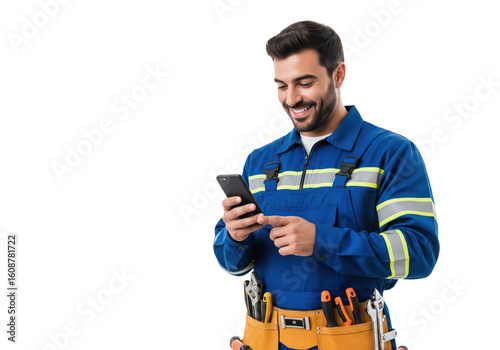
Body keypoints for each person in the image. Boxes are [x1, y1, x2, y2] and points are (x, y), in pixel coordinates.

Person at [214, 20, 439, 350]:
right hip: (264, 340)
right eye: (282, 85)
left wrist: (322, 241)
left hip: (349, 338)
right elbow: (233, 263)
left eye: (304, 83)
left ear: (338, 75)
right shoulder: (260, 162)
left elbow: (419, 253)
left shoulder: (390, 154)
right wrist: (234, 236)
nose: (292, 99)